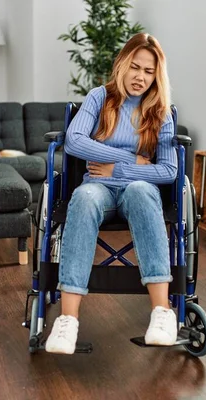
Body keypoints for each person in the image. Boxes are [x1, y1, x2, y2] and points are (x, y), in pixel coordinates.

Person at [45, 33, 178, 355]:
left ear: (156, 75)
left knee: (142, 191)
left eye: (149, 71)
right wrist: (129, 158)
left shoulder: (160, 112)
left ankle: (163, 314)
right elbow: (75, 141)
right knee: (85, 197)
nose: (140, 77)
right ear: (122, 64)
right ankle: (67, 321)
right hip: (98, 189)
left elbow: (169, 172)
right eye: (135, 67)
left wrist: (119, 170)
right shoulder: (99, 97)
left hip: (137, 190)